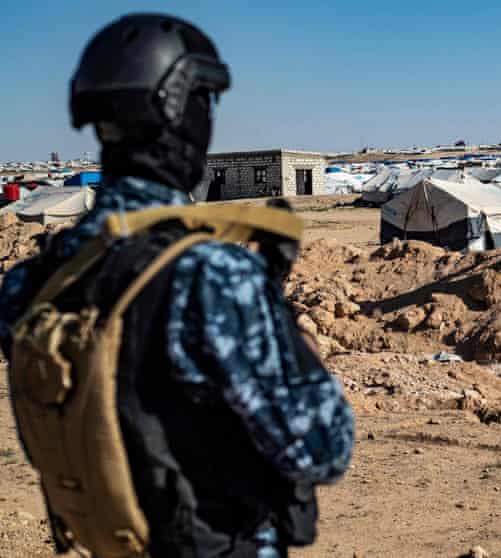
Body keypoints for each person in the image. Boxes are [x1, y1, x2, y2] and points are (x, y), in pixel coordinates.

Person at [0, 14, 353, 557]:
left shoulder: (34, 282)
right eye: (203, 102)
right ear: (179, 107)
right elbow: (322, 449)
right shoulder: (211, 275)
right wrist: (298, 351)